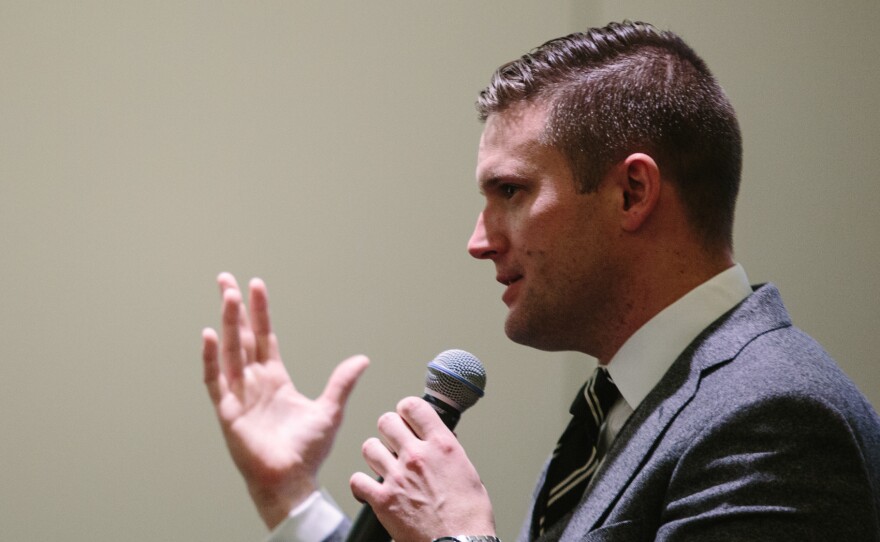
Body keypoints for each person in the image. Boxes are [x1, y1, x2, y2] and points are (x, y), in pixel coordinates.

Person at [201, 21, 880, 542]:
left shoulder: (772, 416)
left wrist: (460, 538)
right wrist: (290, 495)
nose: (478, 241)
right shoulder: (623, 406)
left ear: (631, 193)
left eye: (511, 191)